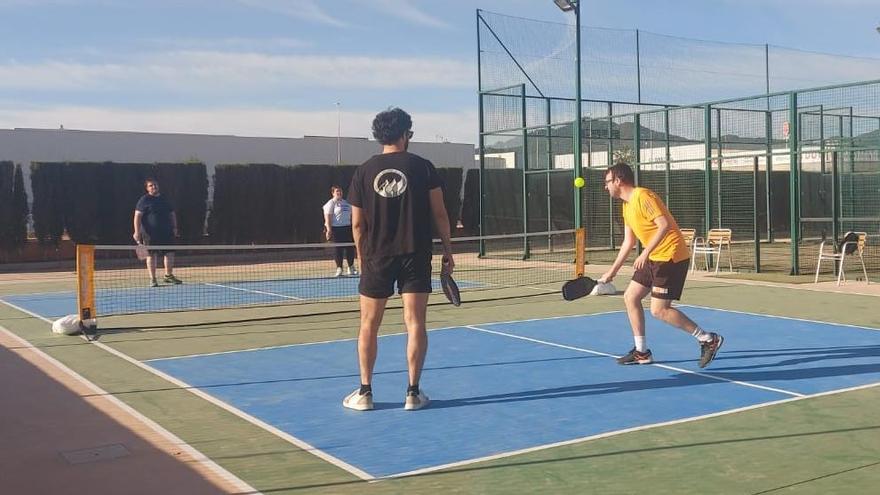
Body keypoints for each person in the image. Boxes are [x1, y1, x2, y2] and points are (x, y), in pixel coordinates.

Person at [342, 107, 454, 412]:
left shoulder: (363, 170)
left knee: (368, 324)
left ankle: (365, 393)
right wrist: (447, 249)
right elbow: (440, 213)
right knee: (415, 323)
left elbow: (356, 224)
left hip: (376, 256)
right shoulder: (423, 167)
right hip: (416, 255)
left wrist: (363, 256)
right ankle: (413, 393)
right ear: (404, 134)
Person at [598, 162, 723, 368]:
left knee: (659, 310)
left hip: (671, 256)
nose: (606, 186)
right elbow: (628, 242)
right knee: (631, 297)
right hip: (654, 257)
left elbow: (663, 225)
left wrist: (645, 253)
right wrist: (611, 272)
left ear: (618, 181)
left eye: (608, 182)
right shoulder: (626, 206)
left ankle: (708, 339)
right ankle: (641, 352)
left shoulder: (643, 196)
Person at [133, 178, 182, 287]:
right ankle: (153, 279)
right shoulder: (144, 200)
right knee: (151, 255)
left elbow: (172, 214)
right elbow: (137, 216)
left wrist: (174, 227)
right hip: (150, 234)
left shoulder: (164, 199)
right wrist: (137, 232)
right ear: (147, 188)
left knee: (169, 253)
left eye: (155, 185)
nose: (154, 187)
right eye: (151, 185)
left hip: (167, 232)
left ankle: (168, 276)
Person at [322, 185, 358, 277]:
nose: (339, 193)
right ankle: (339, 268)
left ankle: (351, 267)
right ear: (333, 193)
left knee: (350, 248)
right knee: (338, 249)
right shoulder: (330, 203)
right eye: (337, 191)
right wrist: (329, 230)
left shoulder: (347, 203)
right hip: (336, 229)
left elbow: (352, 216)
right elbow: (328, 217)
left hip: (347, 228)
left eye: (340, 191)